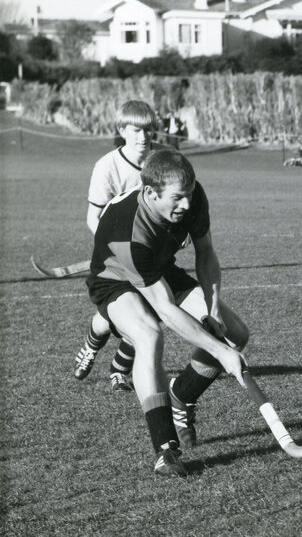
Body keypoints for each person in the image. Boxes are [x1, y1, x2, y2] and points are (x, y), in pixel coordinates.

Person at [87, 149, 248, 477]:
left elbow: (206, 252)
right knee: (149, 334)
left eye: (188, 194)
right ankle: (165, 450)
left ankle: (182, 396)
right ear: (150, 193)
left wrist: (213, 309)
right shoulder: (127, 230)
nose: (186, 204)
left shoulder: (194, 196)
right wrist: (220, 353)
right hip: (114, 280)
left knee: (236, 334)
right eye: (177, 198)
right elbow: (165, 308)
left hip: (160, 267)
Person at [73, 100, 170, 392]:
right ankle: (92, 346)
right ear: (121, 130)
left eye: (148, 129)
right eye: (136, 130)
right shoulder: (107, 166)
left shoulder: (162, 161)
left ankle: (119, 371)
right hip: (115, 257)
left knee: (151, 313)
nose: (144, 136)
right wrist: (117, 250)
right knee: (111, 317)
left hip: (151, 253)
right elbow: (93, 217)